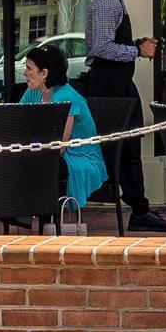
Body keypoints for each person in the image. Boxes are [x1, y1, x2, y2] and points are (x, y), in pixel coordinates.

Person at [79, 0, 166, 232]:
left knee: (129, 146)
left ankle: (138, 209)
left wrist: (135, 44)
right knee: (121, 148)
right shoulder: (107, 0)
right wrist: (137, 50)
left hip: (118, 84)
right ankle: (136, 210)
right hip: (108, 86)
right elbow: (100, 48)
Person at [15, 44, 107, 211]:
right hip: (44, 150)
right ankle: (14, 210)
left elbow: (60, 145)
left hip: (76, 157)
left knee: (20, 162)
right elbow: (16, 120)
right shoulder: (34, 92)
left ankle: (19, 209)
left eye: (29, 68)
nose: (24, 73)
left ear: (44, 73)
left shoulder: (65, 96)